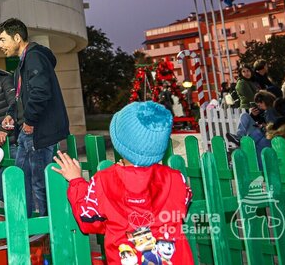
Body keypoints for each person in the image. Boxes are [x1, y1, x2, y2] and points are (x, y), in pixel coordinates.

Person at [54, 101, 194, 264]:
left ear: (120, 144)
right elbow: (184, 201)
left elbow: (90, 221)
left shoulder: (103, 181)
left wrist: (76, 181)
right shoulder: (176, 178)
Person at [0, 18, 69, 217]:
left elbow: (40, 92)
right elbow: (22, 97)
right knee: (23, 180)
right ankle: (28, 226)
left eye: (3, 40)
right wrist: (12, 115)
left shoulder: (34, 57)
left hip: (37, 131)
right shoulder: (24, 62)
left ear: (17, 37)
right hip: (29, 132)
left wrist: (29, 121)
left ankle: (45, 231)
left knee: (38, 184)